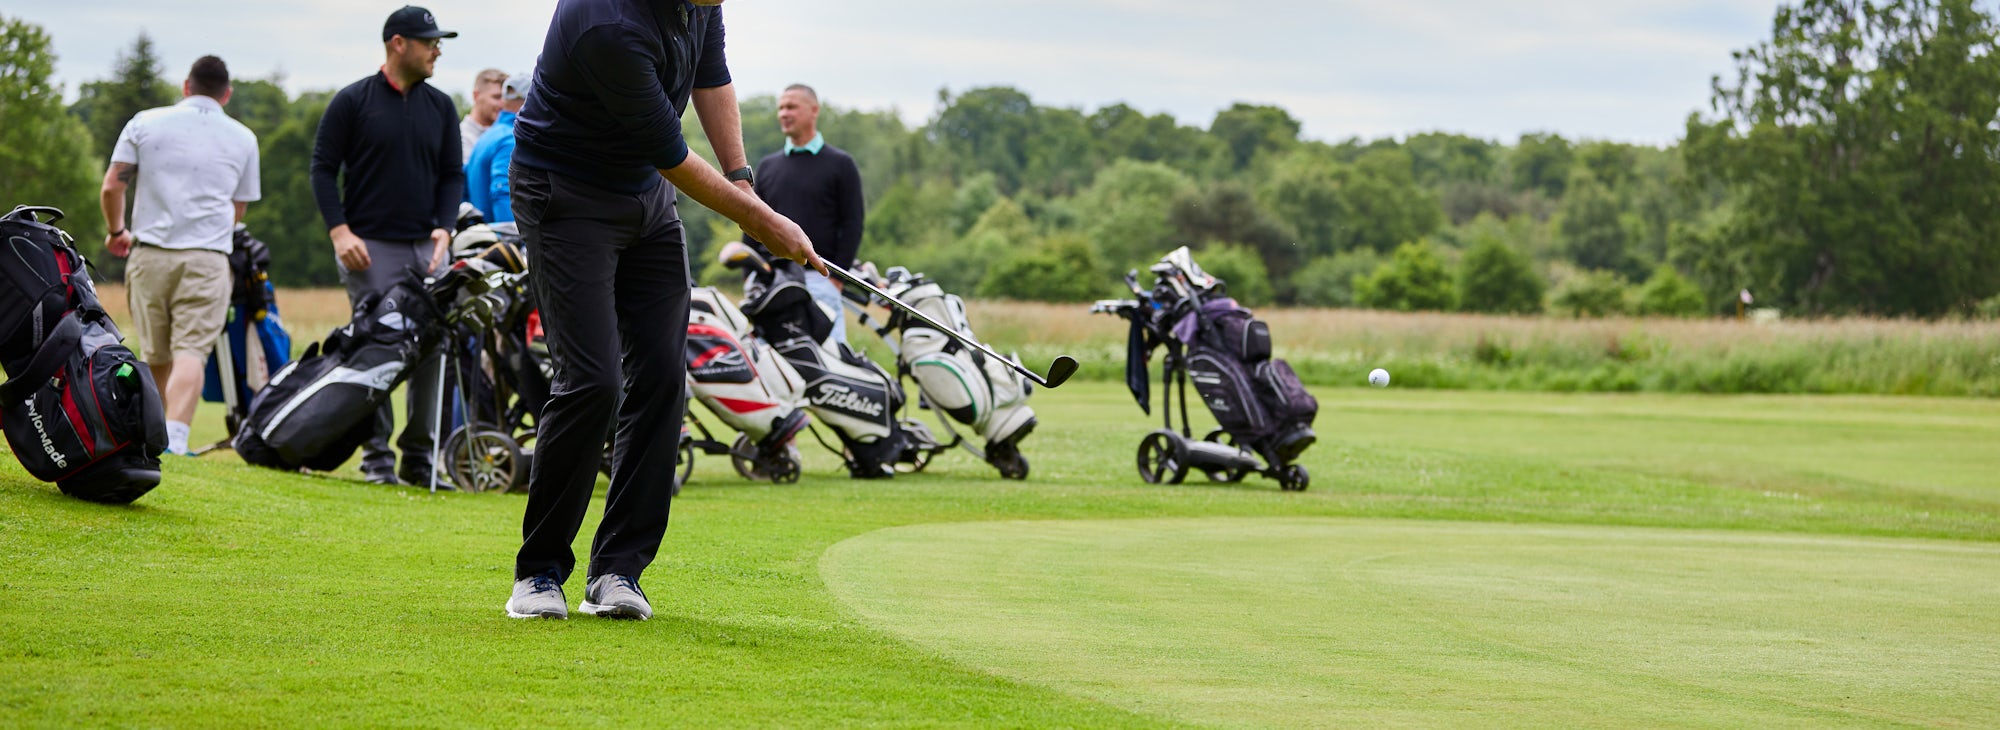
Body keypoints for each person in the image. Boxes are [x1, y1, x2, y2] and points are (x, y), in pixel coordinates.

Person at [504, 0, 822, 621]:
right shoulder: (607, 24)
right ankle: (538, 573)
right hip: (565, 195)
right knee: (592, 382)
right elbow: (671, 154)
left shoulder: (699, 4)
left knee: (664, 377)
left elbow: (712, 76)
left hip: (645, 199)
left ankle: (617, 571)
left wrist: (743, 179)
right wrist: (761, 221)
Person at [310, 5, 462, 486]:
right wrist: (340, 232)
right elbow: (322, 169)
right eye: (430, 42)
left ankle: (419, 458)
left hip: (428, 248)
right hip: (369, 248)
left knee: (433, 349)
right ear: (399, 43)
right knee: (375, 348)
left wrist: (445, 228)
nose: (437, 50)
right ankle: (376, 457)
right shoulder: (353, 101)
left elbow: (451, 175)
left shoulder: (441, 106)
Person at [98, 56, 260, 457]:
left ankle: (151, 434)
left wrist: (117, 231)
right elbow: (239, 207)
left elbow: (113, 186)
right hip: (206, 259)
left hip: (150, 255)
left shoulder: (144, 122)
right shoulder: (243, 138)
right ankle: (176, 438)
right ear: (227, 94)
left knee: (155, 352)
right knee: (191, 351)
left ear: (187, 86)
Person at [745, 83, 865, 345]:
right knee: (769, 361)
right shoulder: (767, 166)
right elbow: (752, 220)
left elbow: (852, 223)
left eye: (791, 107)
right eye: (780, 108)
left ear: (814, 110)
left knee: (830, 359)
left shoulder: (841, 164)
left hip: (820, 279)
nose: (783, 114)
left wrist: (836, 279)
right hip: (772, 280)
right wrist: (750, 275)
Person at [464, 71, 529, 223]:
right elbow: (503, 192)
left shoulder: (488, 135)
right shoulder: (511, 139)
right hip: (500, 233)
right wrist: (511, 233)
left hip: (481, 230)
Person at [461, 68, 507, 164]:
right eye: (497, 97)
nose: (503, 103)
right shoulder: (461, 138)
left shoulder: (508, 134)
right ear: (476, 96)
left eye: (505, 98)